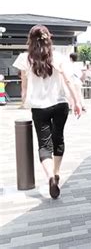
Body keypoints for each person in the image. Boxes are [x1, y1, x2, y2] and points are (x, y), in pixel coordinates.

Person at [13, 25, 82, 199]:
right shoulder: (58, 57)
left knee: (44, 145)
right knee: (58, 138)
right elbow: (68, 80)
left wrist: (24, 102)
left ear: (30, 39)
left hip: (38, 107)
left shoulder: (25, 58)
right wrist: (77, 102)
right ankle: (57, 174)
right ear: (48, 38)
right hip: (59, 105)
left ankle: (50, 176)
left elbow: (24, 86)